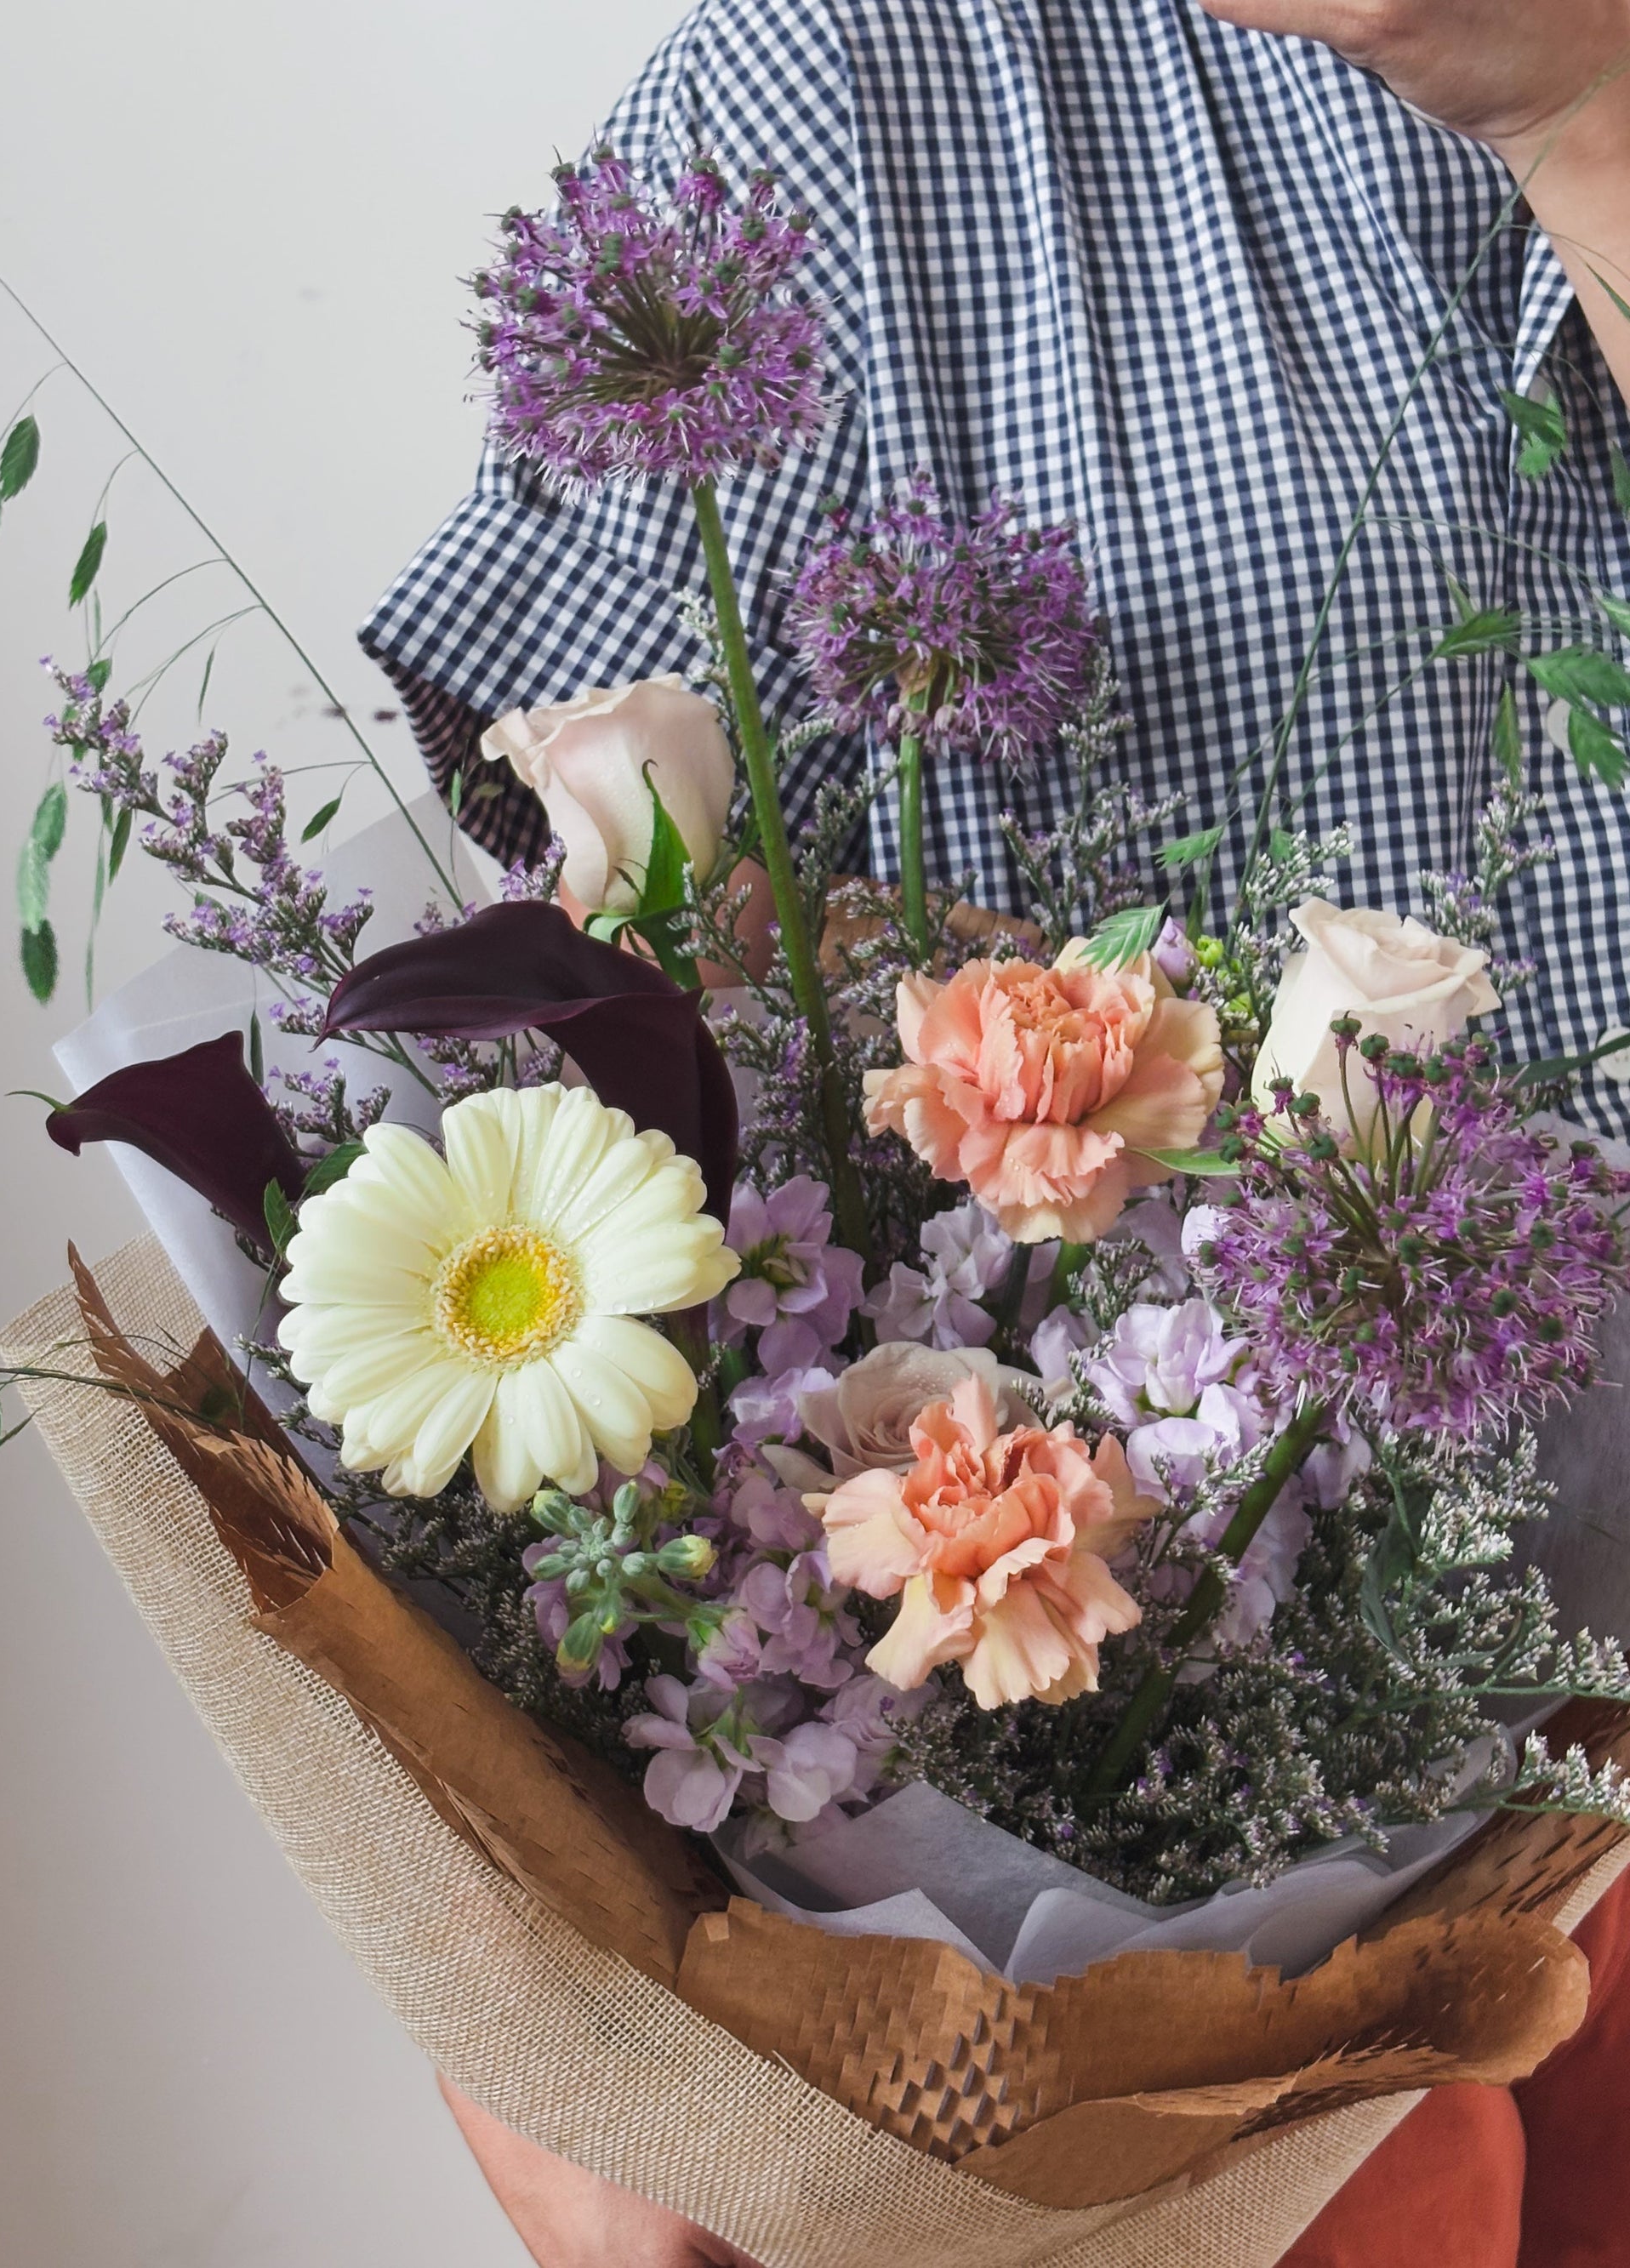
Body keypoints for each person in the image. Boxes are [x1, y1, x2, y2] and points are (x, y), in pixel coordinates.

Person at [361, 3, 1630, 2259]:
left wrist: (1591, 119)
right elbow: (562, 1103)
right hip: (1190, 1963)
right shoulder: (853, 93)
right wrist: (566, 2018)